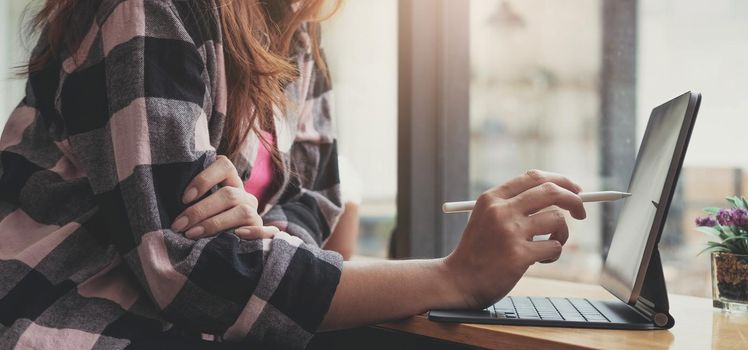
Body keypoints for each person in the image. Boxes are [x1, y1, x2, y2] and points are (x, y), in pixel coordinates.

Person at [0, 0, 586, 349]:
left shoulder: (296, 28)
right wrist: (456, 276)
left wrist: (252, 232)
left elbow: (317, 193)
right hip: (71, 326)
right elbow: (185, 270)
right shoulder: (148, 10)